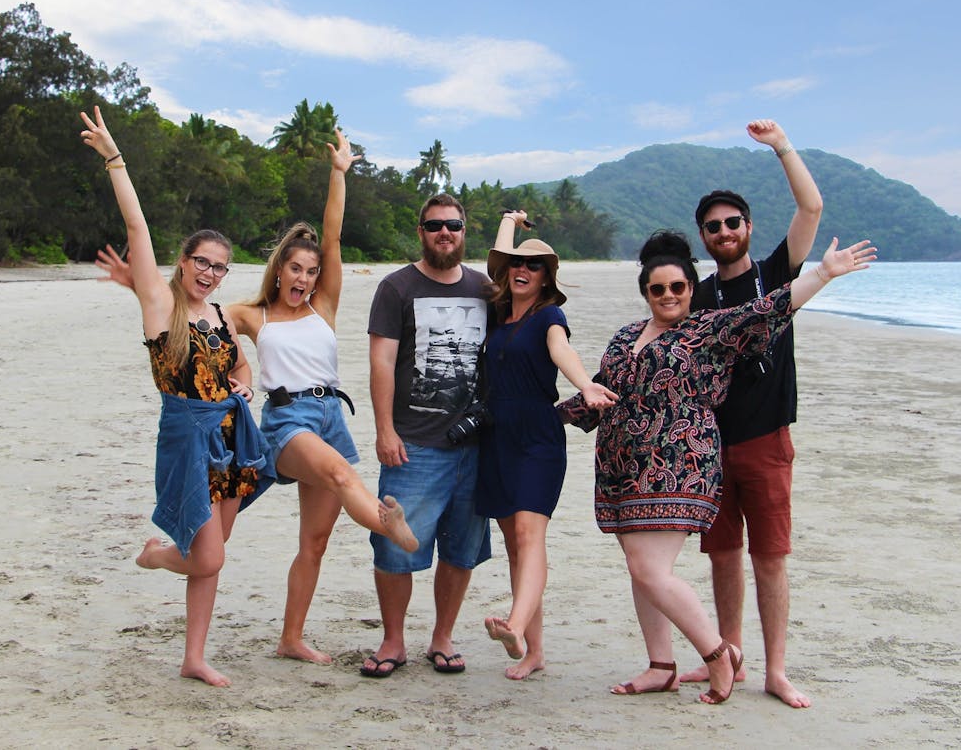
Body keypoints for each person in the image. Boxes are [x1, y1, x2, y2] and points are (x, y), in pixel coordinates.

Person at [84, 108, 417, 684]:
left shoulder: (221, 312)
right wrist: (115, 160)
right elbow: (138, 231)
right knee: (208, 552)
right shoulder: (187, 311)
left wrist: (241, 377)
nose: (211, 273)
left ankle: (202, 655)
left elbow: (238, 354)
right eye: (201, 263)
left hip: (239, 434)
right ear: (183, 263)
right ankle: (158, 553)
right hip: (209, 434)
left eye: (219, 266)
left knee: (253, 551)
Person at [559, 229, 874, 704]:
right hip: (621, 469)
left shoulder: (709, 330)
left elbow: (770, 307)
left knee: (650, 569)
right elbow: (602, 391)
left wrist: (824, 274)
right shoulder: (625, 337)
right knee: (639, 568)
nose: (668, 295)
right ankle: (660, 666)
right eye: (657, 289)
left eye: (678, 287)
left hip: (678, 465)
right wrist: (545, 417)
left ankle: (718, 654)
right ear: (646, 292)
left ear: (692, 289)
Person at [678, 119, 822, 708]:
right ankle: (729, 657)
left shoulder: (775, 275)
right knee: (722, 557)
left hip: (765, 439)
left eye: (732, 223)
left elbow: (811, 208)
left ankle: (777, 670)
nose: (723, 232)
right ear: (704, 239)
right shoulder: (700, 296)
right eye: (712, 228)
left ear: (747, 227)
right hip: (712, 443)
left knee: (770, 557)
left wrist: (783, 147)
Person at [477, 211, 617, 680]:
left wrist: (586, 386)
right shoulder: (498, 313)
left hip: (537, 434)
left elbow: (562, 351)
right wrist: (507, 221)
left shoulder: (549, 316)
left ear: (545, 278)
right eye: (516, 264)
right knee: (514, 544)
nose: (522, 270)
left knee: (529, 534)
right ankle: (534, 651)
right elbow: (496, 260)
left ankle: (515, 627)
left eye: (533, 267)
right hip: (496, 434)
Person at [361, 193, 492, 678]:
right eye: (435, 225)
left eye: (453, 226)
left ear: (464, 232)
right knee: (394, 545)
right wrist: (384, 429)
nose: (444, 233)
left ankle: (442, 637)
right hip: (413, 443)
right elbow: (382, 362)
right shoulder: (396, 287)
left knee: (462, 546)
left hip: (475, 446)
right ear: (421, 231)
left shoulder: (484, 289)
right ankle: (393, 639)